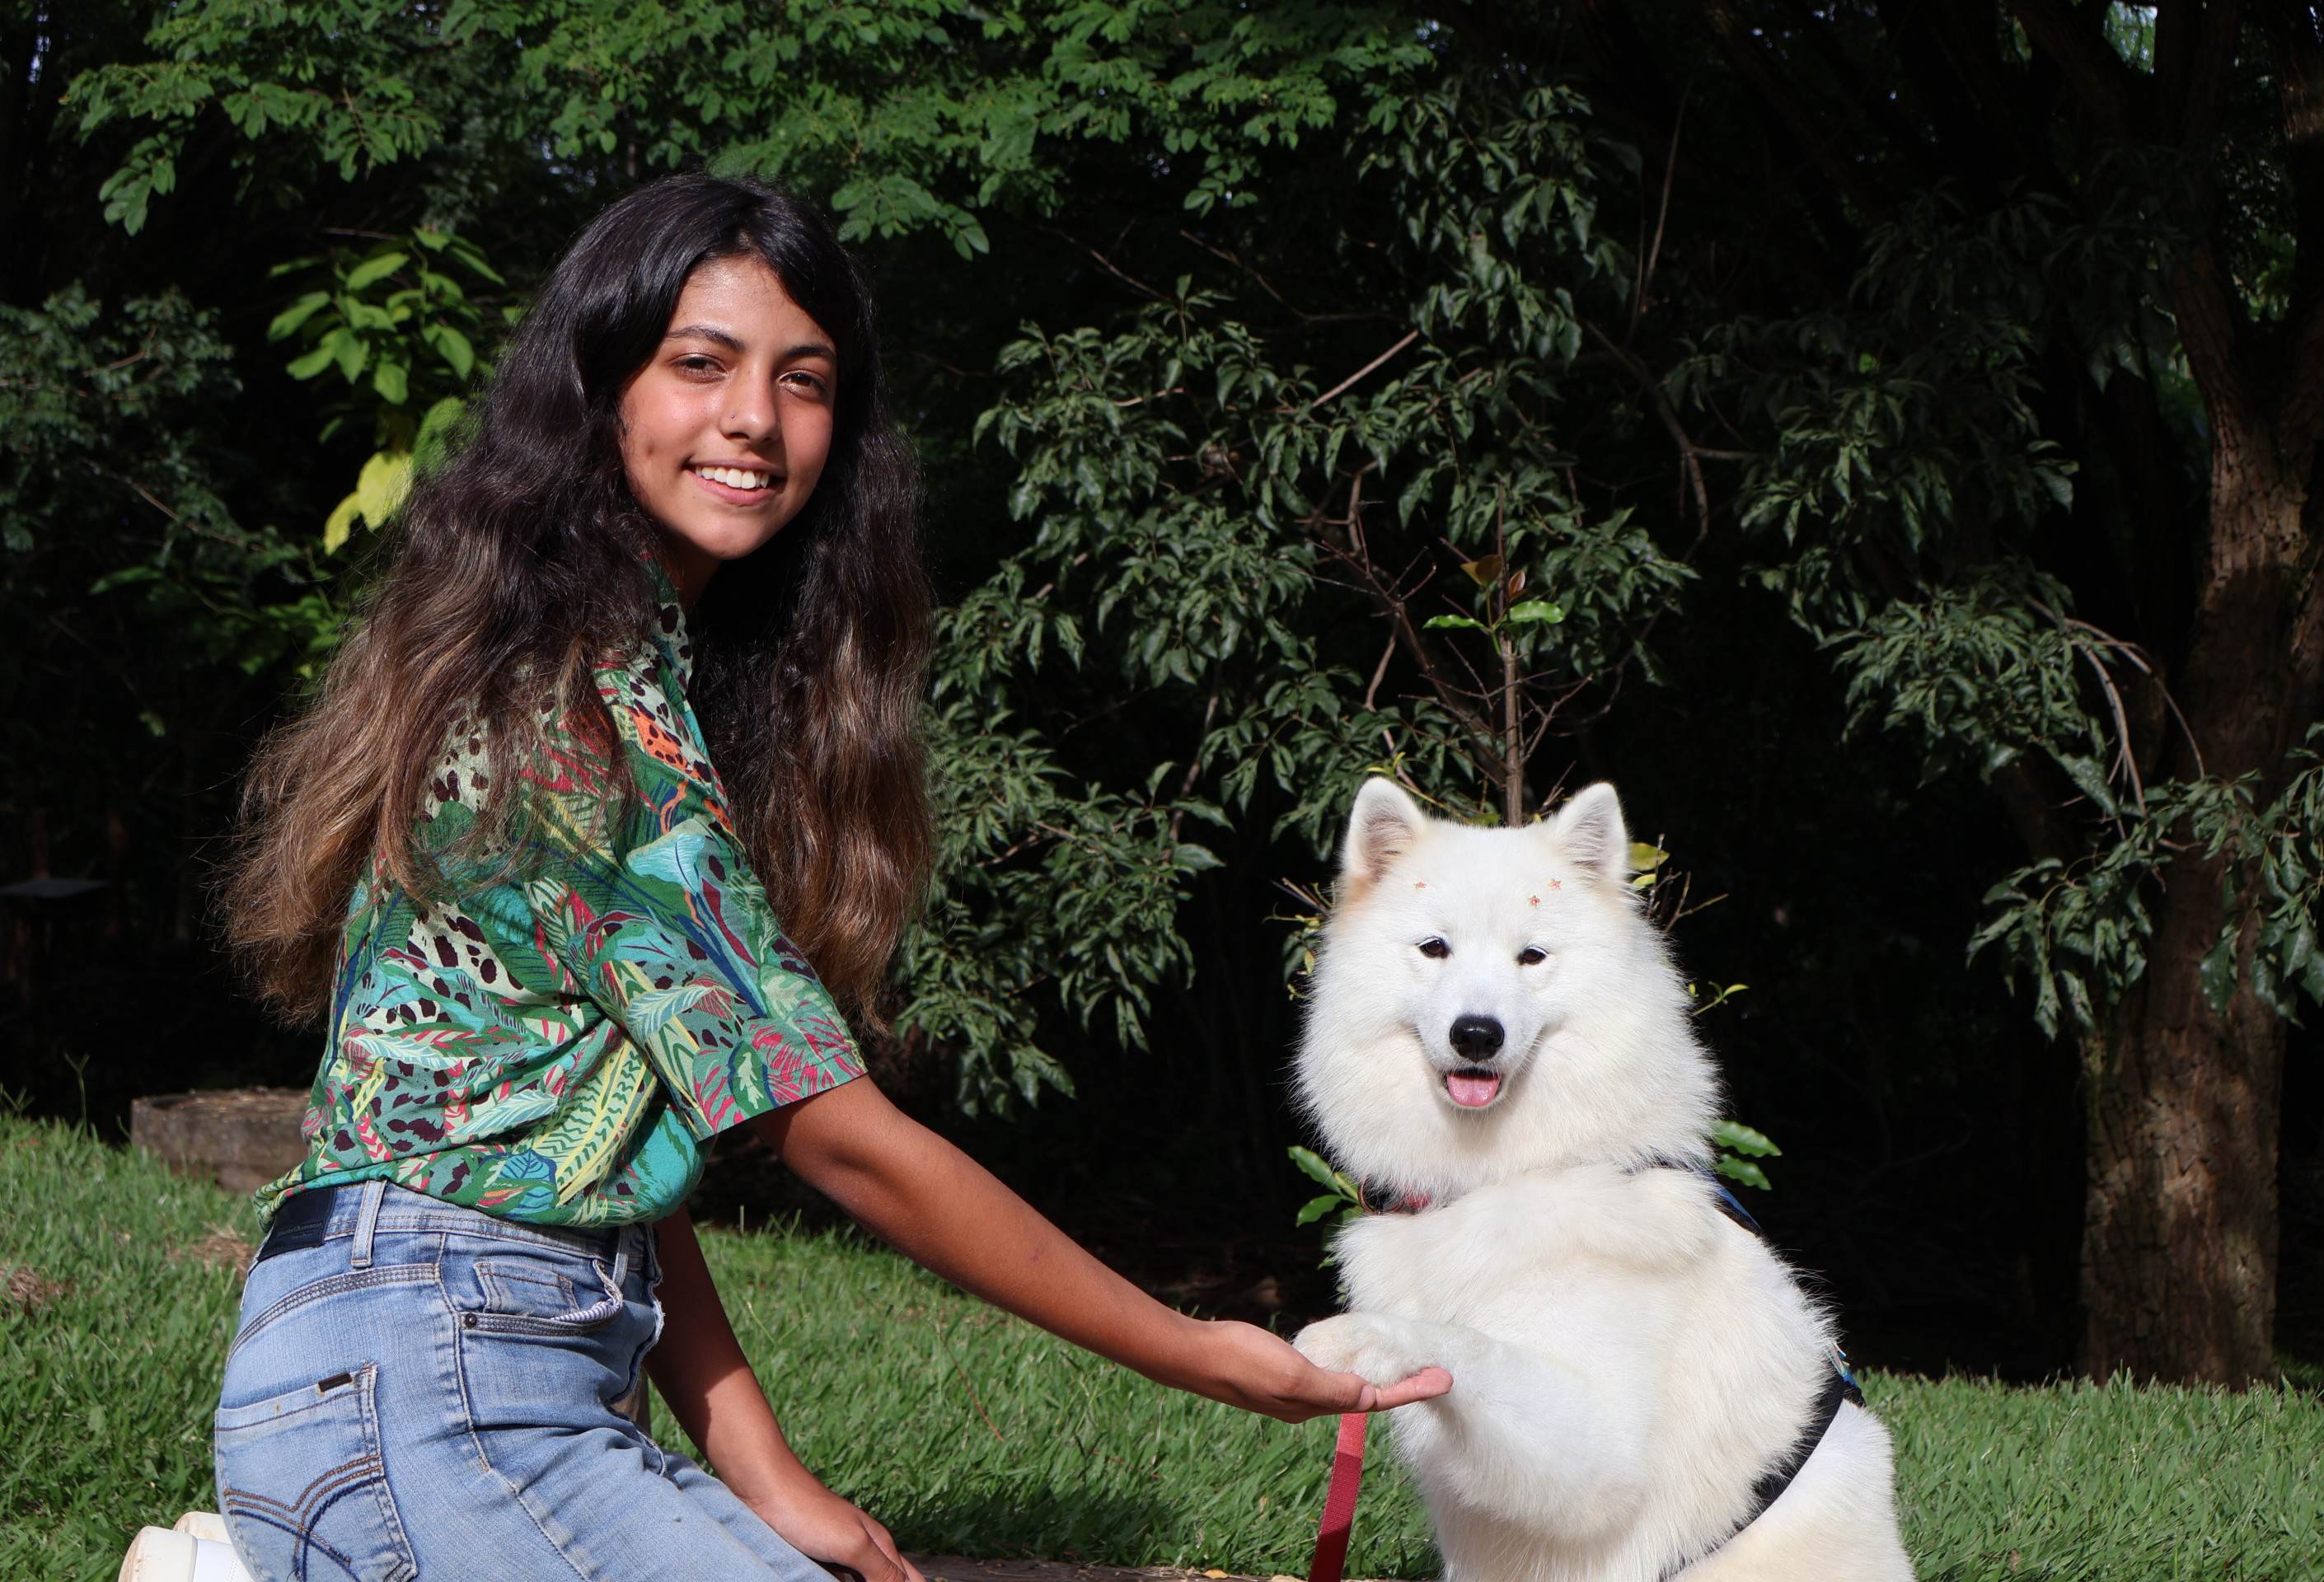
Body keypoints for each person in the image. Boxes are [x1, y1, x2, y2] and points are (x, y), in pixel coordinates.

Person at [206, 172, 1447, 1582]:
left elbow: (591, 1153)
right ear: (598, 391)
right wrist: (1201, 1356)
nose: (753, 418)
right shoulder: (585, 724)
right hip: (435, 1386)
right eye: (700, 365)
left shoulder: (591, 672)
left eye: (805, 381)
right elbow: (836, 1135)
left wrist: (761, 1467)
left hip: (432, 1372)